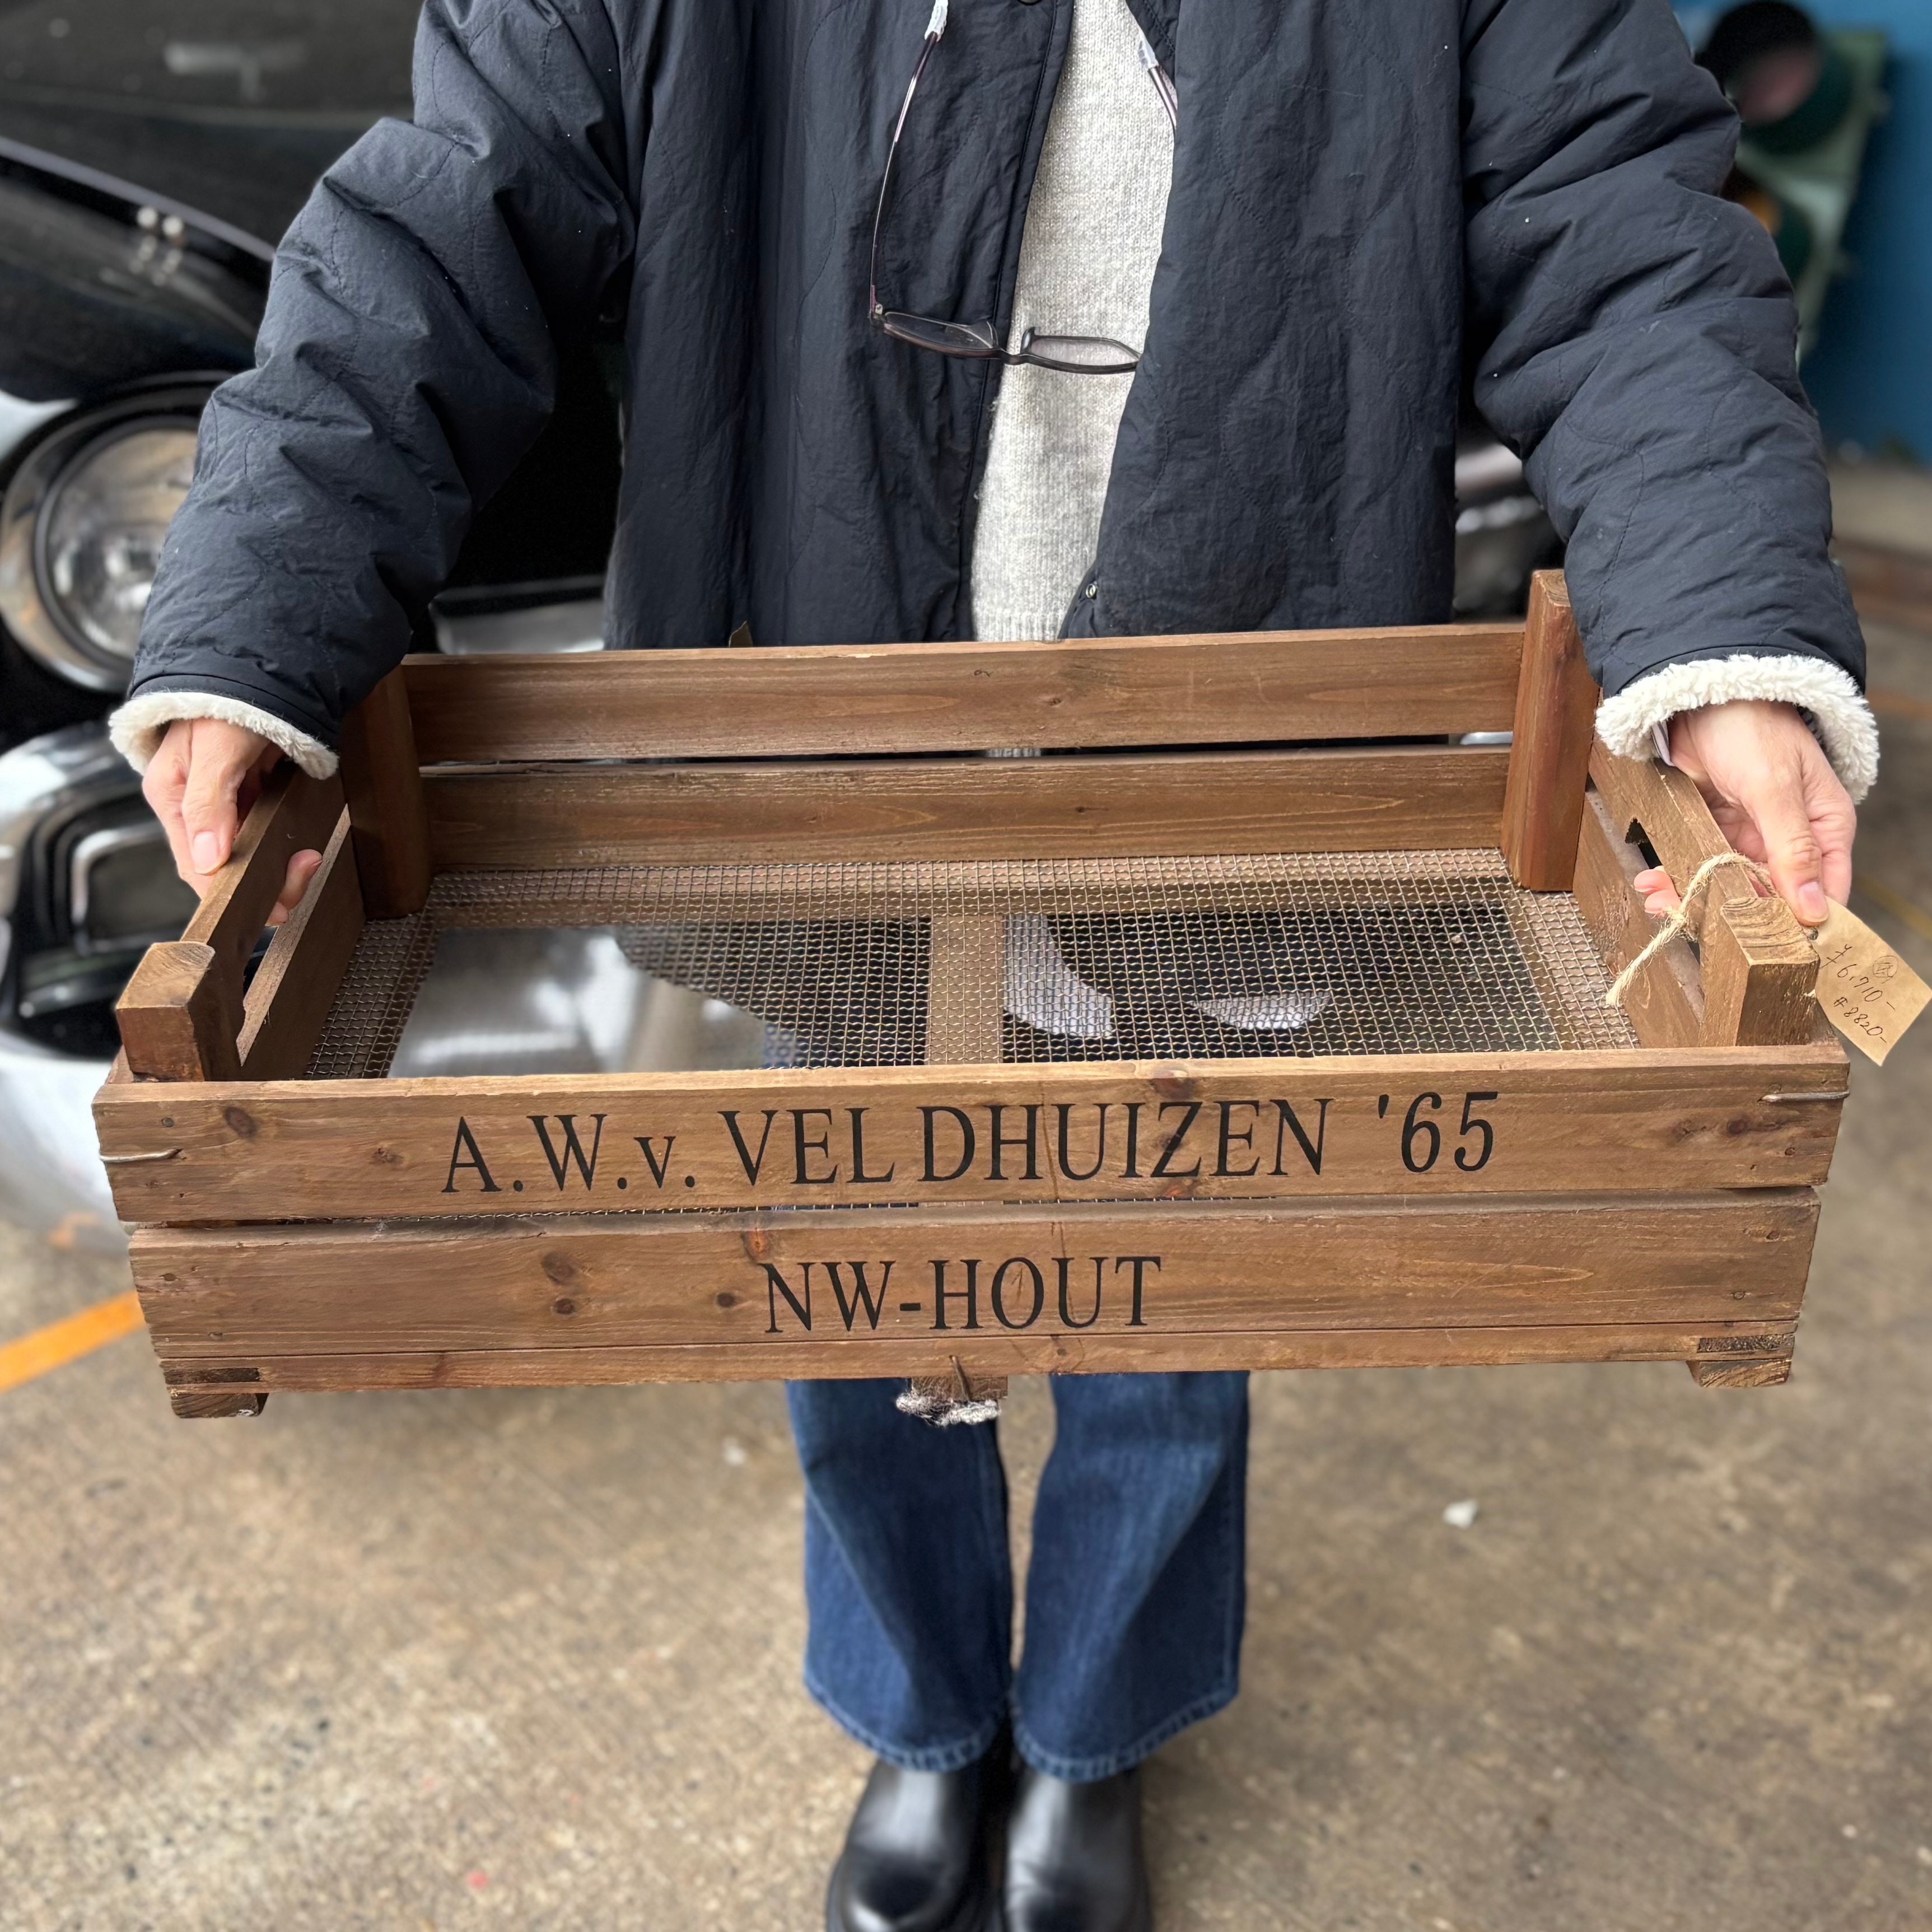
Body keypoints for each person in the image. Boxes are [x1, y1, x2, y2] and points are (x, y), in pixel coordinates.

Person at [113, 2, 1873, 1925]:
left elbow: (1607, 209)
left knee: (1169, 1301)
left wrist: (1721, 623)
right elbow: (448, 217)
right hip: (818, 750)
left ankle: (1097, 1735)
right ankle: (925, 1719)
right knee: (848, 1278)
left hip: (1238, 769)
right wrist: (260, 610)